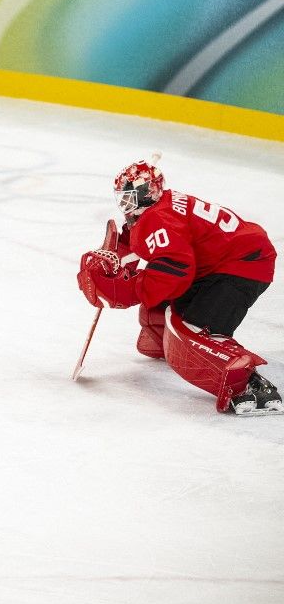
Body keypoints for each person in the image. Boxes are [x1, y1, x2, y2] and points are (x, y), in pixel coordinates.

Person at [76, 155, 280, 415]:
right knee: (159, 310)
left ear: (148, 193)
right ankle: (161, 338)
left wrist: (126, 290)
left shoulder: (157, 218)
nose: (125, 205)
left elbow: (176, 269)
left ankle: (249, 386)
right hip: (228, 258)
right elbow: (152, 246)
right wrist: (118, 259)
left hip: (242, 266)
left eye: (130, 197)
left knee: (190, 329)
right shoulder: (161, 206)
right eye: (123, 198)